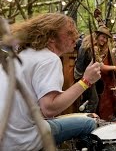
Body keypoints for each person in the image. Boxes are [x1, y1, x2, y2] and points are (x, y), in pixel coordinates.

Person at [1, 13, 101, 150]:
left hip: (5, 138)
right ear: (51, 37)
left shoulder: (20, 56)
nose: (75, 37)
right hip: (22, 140)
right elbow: (49, 108)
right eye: (69, 33)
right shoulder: (49, 59)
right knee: (89, 123)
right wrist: (86, 81)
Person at [74, 26, 116, 113]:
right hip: (83, 77)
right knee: (93, 100)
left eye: (106, 39)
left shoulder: (87, 44)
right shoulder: (92, 48)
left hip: (83, 75)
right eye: (103, 37)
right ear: (97, 35)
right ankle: (86, 121)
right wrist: (115, 67)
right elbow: (100, 65)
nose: (104, 40)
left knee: (89, 99)